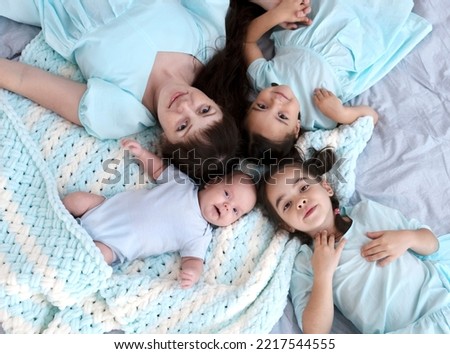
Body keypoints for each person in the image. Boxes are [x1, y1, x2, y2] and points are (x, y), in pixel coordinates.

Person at [0, 0, 306, 182]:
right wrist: (278, 5)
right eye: (204, 110)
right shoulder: (209, 42)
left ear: (165, 141)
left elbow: (25, 79)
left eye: (183, 125)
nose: (185, 105)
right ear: (217, 103)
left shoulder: (121, 113)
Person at [259, 148, 450, 333]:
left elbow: (432, 245)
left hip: (441, 305)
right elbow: (314, 331)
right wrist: (323, 275)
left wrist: (408, 238)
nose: (300, 201)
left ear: (326, 187)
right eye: (287, 205)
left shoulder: (367, 212)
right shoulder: (306, 261)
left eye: (303, 187)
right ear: (287, 226)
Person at [229, 0, 430, 160]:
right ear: (296, 128)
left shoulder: (262, 80)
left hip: (317, 20)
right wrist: (342, 113)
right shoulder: (319, 120)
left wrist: (276, 15)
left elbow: (248, 39)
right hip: (352, 42)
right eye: (282, 116)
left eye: (262, 106)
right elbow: (370, 118)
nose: (276, 101)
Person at [62, 139, 257, 288]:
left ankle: (60, 252)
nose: (226, 206)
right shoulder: (183, 183)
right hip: (103, 208)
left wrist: (192, 273)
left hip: (115, 245)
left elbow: (193, 260)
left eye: (234, 210)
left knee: (95, 257)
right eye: (226, 194)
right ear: (211, 182)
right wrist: (141, 153)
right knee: (75, 200)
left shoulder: (201, 234)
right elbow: (158, 169)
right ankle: (56, 216)